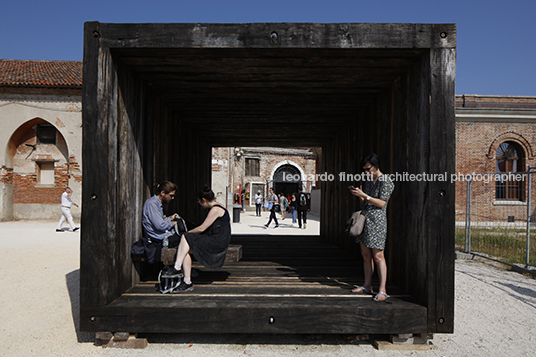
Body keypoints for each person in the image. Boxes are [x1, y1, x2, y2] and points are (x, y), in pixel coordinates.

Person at [163, 185, 231, 292]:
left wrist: (186, 233)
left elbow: (202, 228)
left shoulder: (216, 209)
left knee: (186, 238)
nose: (199, 204)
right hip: (215, 239)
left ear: (203, 200)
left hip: (217, 242)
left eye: (199, 202)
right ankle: (187, 281)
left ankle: (177, 268)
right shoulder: (218, 207)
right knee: (186, 249)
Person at [349, 153, 395, 302]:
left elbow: (382, 203)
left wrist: (365, 196)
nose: (366, 172)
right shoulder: (368, 180)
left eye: (368, 169)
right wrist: (361, 196)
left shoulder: (386, 181)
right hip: (365, 219)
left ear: (376, 166)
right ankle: (367, 285)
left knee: (378, 256)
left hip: (377, 222)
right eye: (364, 170)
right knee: (365, 255)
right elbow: (366, 203)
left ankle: (382, 290)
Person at [141, 181, 181, 263]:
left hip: (162, 236)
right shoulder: (152, 204)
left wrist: (170, 218)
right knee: (185, 239)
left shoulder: (158, 204)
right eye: (171, 195)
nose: (172, 198)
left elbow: (159, 220)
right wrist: (173, 223)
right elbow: (160, 225)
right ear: (163, 193)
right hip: (158, 238)